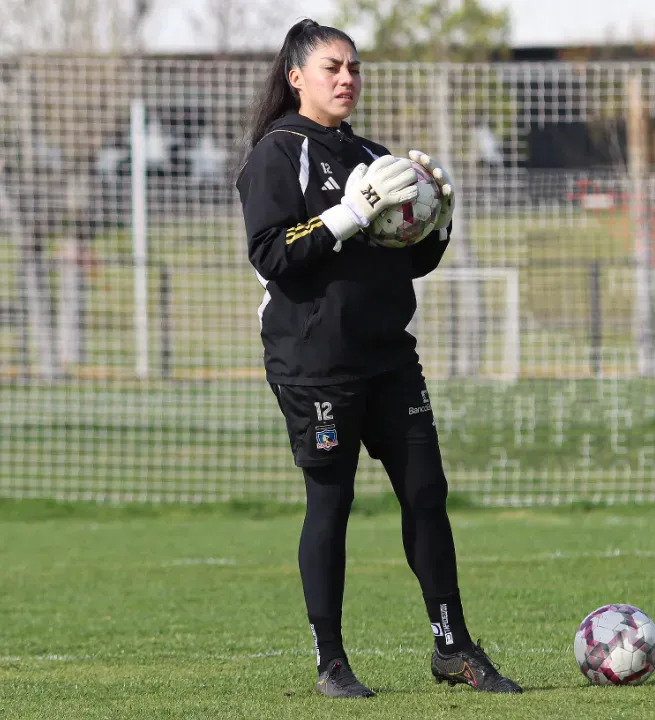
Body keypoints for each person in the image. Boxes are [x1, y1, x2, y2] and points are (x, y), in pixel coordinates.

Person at [236, 18, 523, 698]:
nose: (346, 78)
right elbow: (272, 254)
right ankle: (331, 663)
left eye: (354, 68)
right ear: (295, 75)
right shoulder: (277, 153)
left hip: (389, 356)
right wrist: (350, 212)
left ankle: (452, 648)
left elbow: (409, 257)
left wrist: (436, 220)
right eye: (332, 67)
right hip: (316, 364)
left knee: (426, 494)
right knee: (330, 504)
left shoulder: (371, 151)